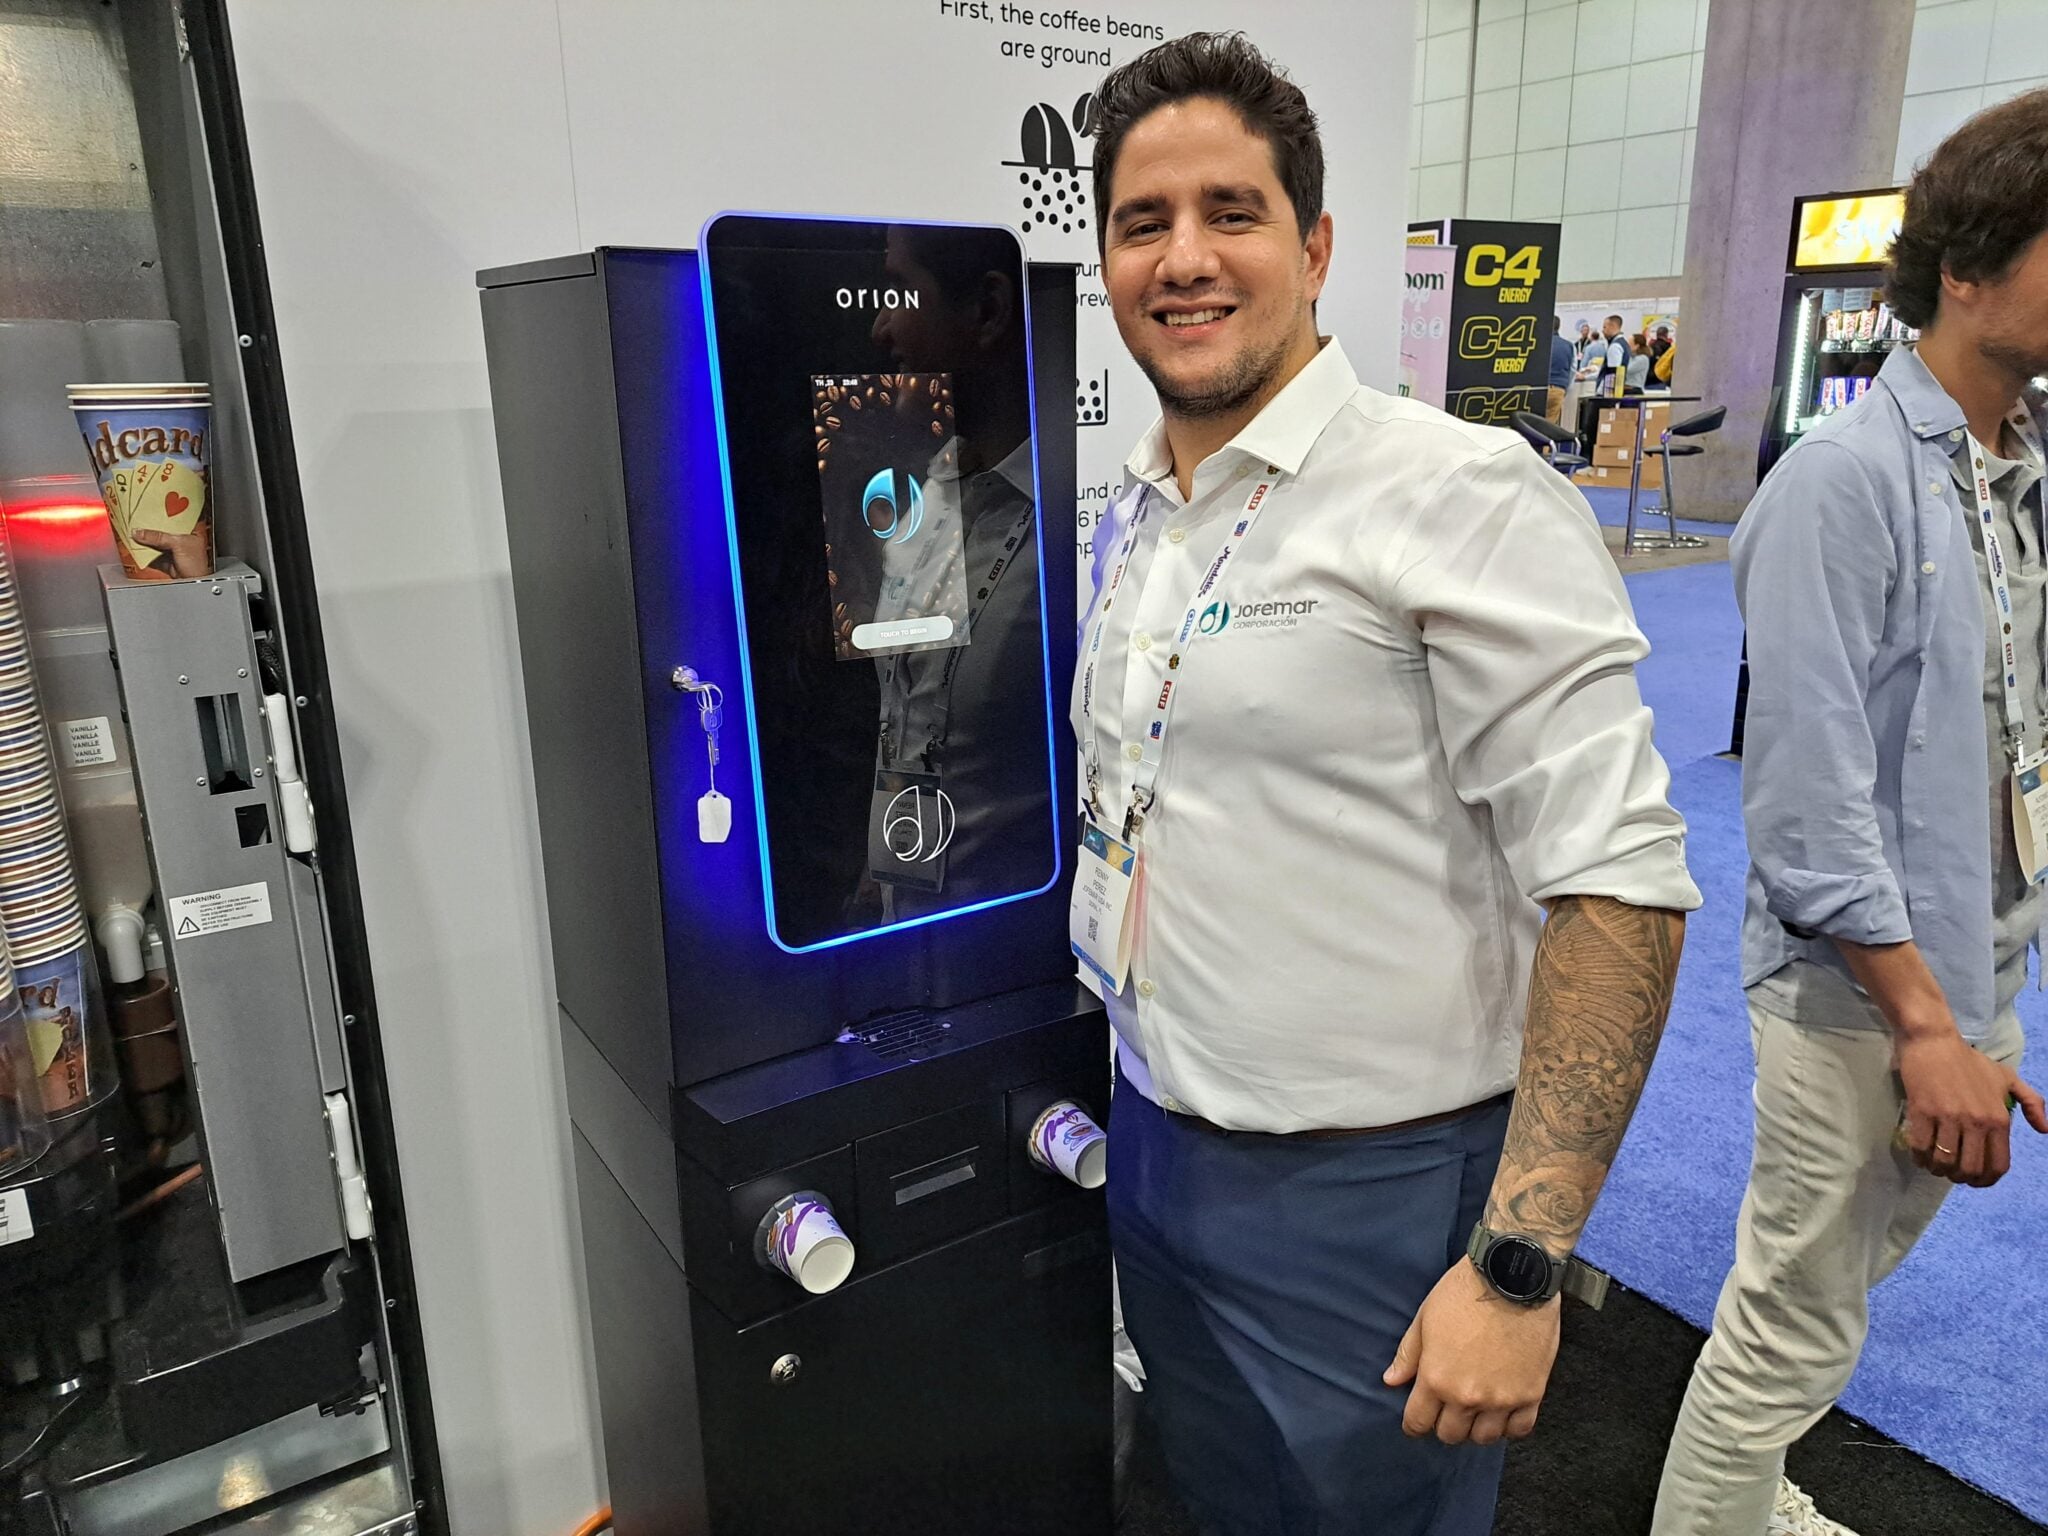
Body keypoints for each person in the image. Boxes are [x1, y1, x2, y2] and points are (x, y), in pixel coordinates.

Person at [1077, 32, 1701, 1536]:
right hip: (1153, 1144)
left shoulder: (1455, 493)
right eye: (1143, 222)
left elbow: (1619, 888)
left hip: (1373, 1193)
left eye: (1230, 212)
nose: (1184, 258)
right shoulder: (1138, 512)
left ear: (1314, 247)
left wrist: (1518, 1264)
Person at [1652, 88, 2048, 1536]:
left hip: (1975, 960)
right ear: (1971, 264)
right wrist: (1926, 1029)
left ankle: (1748, 1497)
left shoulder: (2017, 473)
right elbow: (1807, 799)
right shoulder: (1842, 480)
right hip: (1860, 997)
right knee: (1792, 1321)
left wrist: (1978, 1000)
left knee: (1837, 1289)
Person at [1547, 314, 1574, 422]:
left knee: (1530, 423)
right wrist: (1565, 388)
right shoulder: (1569, 345)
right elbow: (1572, 370)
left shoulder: (1539, 342)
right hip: (1558, 389)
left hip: (1538, 389)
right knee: (1549, 424)